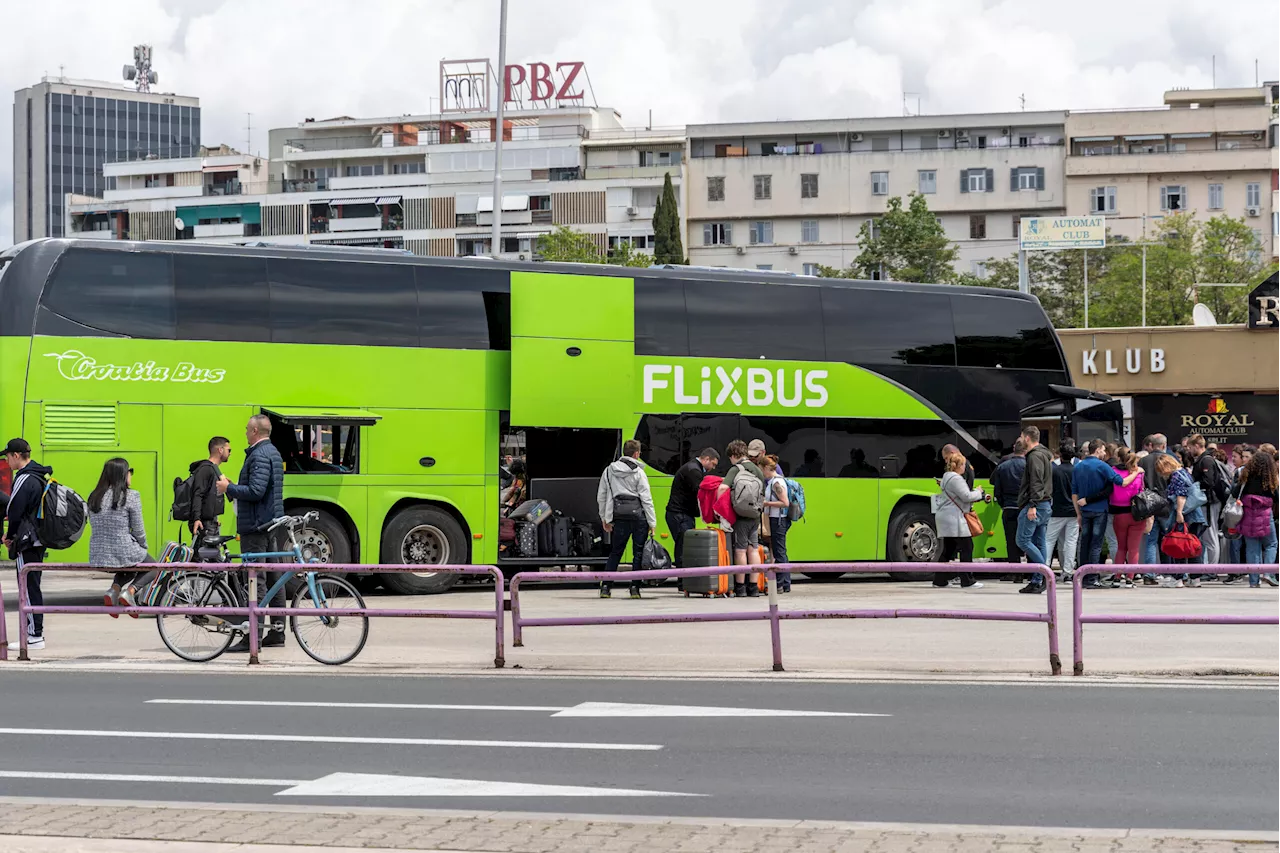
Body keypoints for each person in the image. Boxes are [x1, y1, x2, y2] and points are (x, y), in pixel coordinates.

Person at [217, 415, 286, 652]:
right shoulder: (273, 453)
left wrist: (229, 488)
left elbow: (256, 491)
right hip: (270, 523)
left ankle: (253, 637)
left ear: (255, 430)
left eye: (247, 429)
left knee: (256, 580)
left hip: (255, 526)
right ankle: (277, 631)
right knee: (275, 577)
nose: (245, 432)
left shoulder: (258, 455)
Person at [87, 458, 155, 617]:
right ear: (122, 475)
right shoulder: (131, 496)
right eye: (129, 472)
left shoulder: (94, 496)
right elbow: (138, 529)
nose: (131, 476)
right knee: (154, 566)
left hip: (98, 555)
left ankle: (114, 590)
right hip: (123, 550)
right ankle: (130, 592)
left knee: (129, 566)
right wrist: (143, 546)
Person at [4, 439, 51, 651]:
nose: (6, 460)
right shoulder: (39, 474)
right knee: (32, 584)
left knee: (27, 586)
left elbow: (14, 511)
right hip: (38, 538)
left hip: (26, 540)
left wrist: (10, 536)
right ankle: (34, 633)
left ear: (16, 455)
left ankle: (34, 635)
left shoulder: (24, 478)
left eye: (7, 456)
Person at [596, 439, 656, 599]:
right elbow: (646, 498)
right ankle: (635, 588)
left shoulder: (609, 470)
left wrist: (605, 518)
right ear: (636, 454)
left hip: (619, 517)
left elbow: (601, 496)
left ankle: (606, 587)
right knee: (637, 553)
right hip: (639, 518)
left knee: (616, 552)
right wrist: (652, 522)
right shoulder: (639, 472)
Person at [1072, 441, 1136, 590]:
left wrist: (1078, 514)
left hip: (1085, 511)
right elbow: (1121, 482)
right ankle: (1093, 578)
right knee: (1096, 544)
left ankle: (1082, 576)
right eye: (1103, 450)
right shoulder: (1102, 466)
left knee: (1084, 543)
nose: (1104, 453)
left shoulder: (1078, 466)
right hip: (1100, 509)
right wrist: (1136, 473)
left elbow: (1074, 492)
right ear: (1099, 449)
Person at [931, 451, 988, 589]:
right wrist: (979, 492)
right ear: (958, 465)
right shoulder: (956, 478)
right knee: (967, 547)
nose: (965, 467)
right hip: (954, 519)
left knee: (949, 549)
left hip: (947, 517)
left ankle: (939, 580)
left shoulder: (947, 477)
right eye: (963, 464)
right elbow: (967, 496)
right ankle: (967, 580)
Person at [721, 439, 766, 598]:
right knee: (753, 549)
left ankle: (740, 587)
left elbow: (723, 488)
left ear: (734, 455)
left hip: (740, 516)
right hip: (754, 515)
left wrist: (721, 508)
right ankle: (753, 587)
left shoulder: (736, 469)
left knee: (740, 550)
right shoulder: (758, 470)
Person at [1014, 426, 1054, 594]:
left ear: (1028, 438)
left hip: (1036, 504)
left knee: (1022, 540)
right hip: (1045, 504)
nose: (1020, 440)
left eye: (1022, 437)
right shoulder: (1044, 454)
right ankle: (1037, 580)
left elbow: (1036, 481)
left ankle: (1045, 574)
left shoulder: (1034, 456)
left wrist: (1032, 504)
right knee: (1039, 541)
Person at [1158, 452, 1206, 587]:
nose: (1162, 474)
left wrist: (1179, 513)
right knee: (1193, 546)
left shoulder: (1176, 476)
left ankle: (1178, 578)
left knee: (1178, 545)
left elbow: (1181, 495)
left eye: (1161, 470)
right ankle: (1195, 578)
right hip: (1195, 514)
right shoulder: (1185, 472)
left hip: (1185, 514)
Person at [666, 447, 718, 569]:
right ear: (706, 459)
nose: (713, 468)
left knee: (684, 546)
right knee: (684, 548)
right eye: (713, 464)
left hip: (681, 514)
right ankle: (682, 581)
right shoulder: (694, 470)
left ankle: (683, 580)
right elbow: (701, 493)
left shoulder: (693, 467)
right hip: (680, 515)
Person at [1235, 451, 1280, 588]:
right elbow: (1277, 497)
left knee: (1252, 548)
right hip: (1265, 515)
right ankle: (1267, 572)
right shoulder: (1269, 480)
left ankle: (1254, 582)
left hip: (1248, 515)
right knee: (1271, 544)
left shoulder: (1246, 477)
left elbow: (1234, 492)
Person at [1107, 445, 1147, 588]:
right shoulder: (1139, 473)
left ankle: (1117, 577)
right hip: (1136, 514)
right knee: (1134, 549)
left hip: (1119, 513)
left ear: (1118, 457)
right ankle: (1130, 578)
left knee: (1121, 548)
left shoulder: (1112, 471)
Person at [1186, 433, 1228, 567]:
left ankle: (1211, 568)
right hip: (1206, 502)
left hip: (1209, 502)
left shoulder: (1206, 461)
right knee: (1207, 536)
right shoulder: (1202, 460)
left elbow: (1208, 481)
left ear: (1197, 446)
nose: (1188, 450)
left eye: (1190, 447)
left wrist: (1193, 486)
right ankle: (1209, 567)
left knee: (1210, 535)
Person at [1045, 441, 1081, 583]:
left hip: (1056, 510)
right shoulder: (1077, 470)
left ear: (1060, 455)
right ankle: (1067, 571)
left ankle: (1045, 568)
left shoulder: (1054, 470)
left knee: (1049, 540)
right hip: (1073, 510)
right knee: (1071, 541)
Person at [991, 439, 1028, 575]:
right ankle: (1031, 572)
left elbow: (996, 488)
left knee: (1011, 541)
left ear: (1014, 449)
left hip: (1008, 507)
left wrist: (1003, 503)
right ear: (1025, 451)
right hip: (1025, 507)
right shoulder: (1028, 466)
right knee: (1027, 539)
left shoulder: (1003, 466)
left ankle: (1016, 573)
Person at [1139, 434, 1174, 572]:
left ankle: (1150, 574)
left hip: (1149, 503)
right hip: (1166, 503)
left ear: (1151, 445)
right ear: (1164, 445)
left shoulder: (1143, 461)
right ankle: (1168, 572)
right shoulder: (1169, 460)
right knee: (1168, 539)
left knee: (1151, 540)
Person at [760, 456, 792, 593]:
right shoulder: (776, 481)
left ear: (767, 468)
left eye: (762, 470)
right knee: (781, 551)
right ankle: (785, 583)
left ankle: (780, 584)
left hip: (778, 519)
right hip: (778, 519)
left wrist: (766, 503)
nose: (762, 473)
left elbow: (785, 503)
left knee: (779, 552)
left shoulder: (776, 483)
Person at [190, 436, 230, 538]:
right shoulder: (206, 469)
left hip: (211, 523)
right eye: (228, 450)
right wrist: (196, 519)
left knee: (211, 553)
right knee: (205, 553)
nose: (230, 453)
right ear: (220, 450)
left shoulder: (213, 470)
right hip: (205, 524)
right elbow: (198, 494)